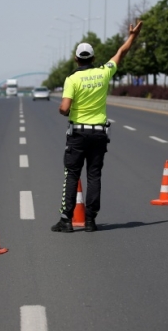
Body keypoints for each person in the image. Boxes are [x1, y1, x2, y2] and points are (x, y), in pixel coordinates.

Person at [52, 20, 143, 233]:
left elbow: (65, 108)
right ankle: (91, 220)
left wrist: (64, 108)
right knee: (94, 175)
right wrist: (133, 36)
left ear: (76, 59)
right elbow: (121, 53)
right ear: (93, 58)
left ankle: (66, 220)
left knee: (72, 174)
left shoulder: (72, 79)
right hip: (99, 134)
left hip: (78, 133)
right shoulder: (103, 73)